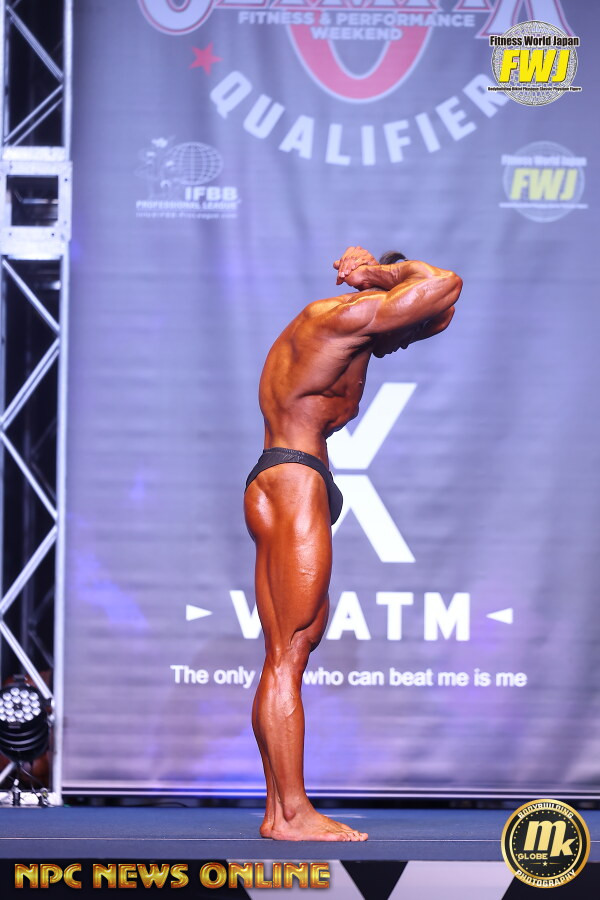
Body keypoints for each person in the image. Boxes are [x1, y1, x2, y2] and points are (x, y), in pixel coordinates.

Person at [244, 246, 462, 841]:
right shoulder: (345, 316)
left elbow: (437, 310)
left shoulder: (346, 332)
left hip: (291, 476)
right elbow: (446, 284)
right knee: (288, 653)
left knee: (291, 650)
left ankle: (278, 813)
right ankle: (294, 814)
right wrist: (380, 275)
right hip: (292, 479)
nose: (403, 344)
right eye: (407, 332)